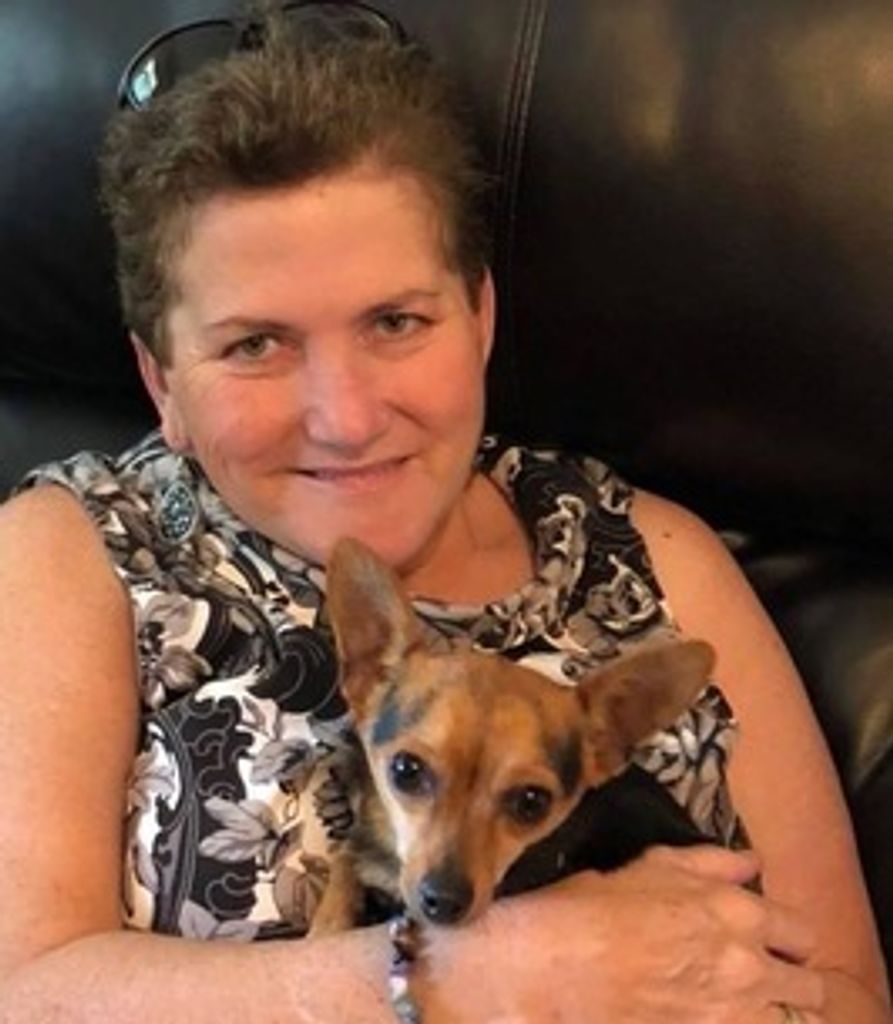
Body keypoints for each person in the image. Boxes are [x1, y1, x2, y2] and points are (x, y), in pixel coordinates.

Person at [0, 4, 888, 1022]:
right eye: (254, 344)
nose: (344, 418)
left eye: (395, 320)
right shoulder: (73, 552)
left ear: (480, 317)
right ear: (161, 382)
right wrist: (458, 977)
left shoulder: (657, 556)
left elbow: (849, 998)